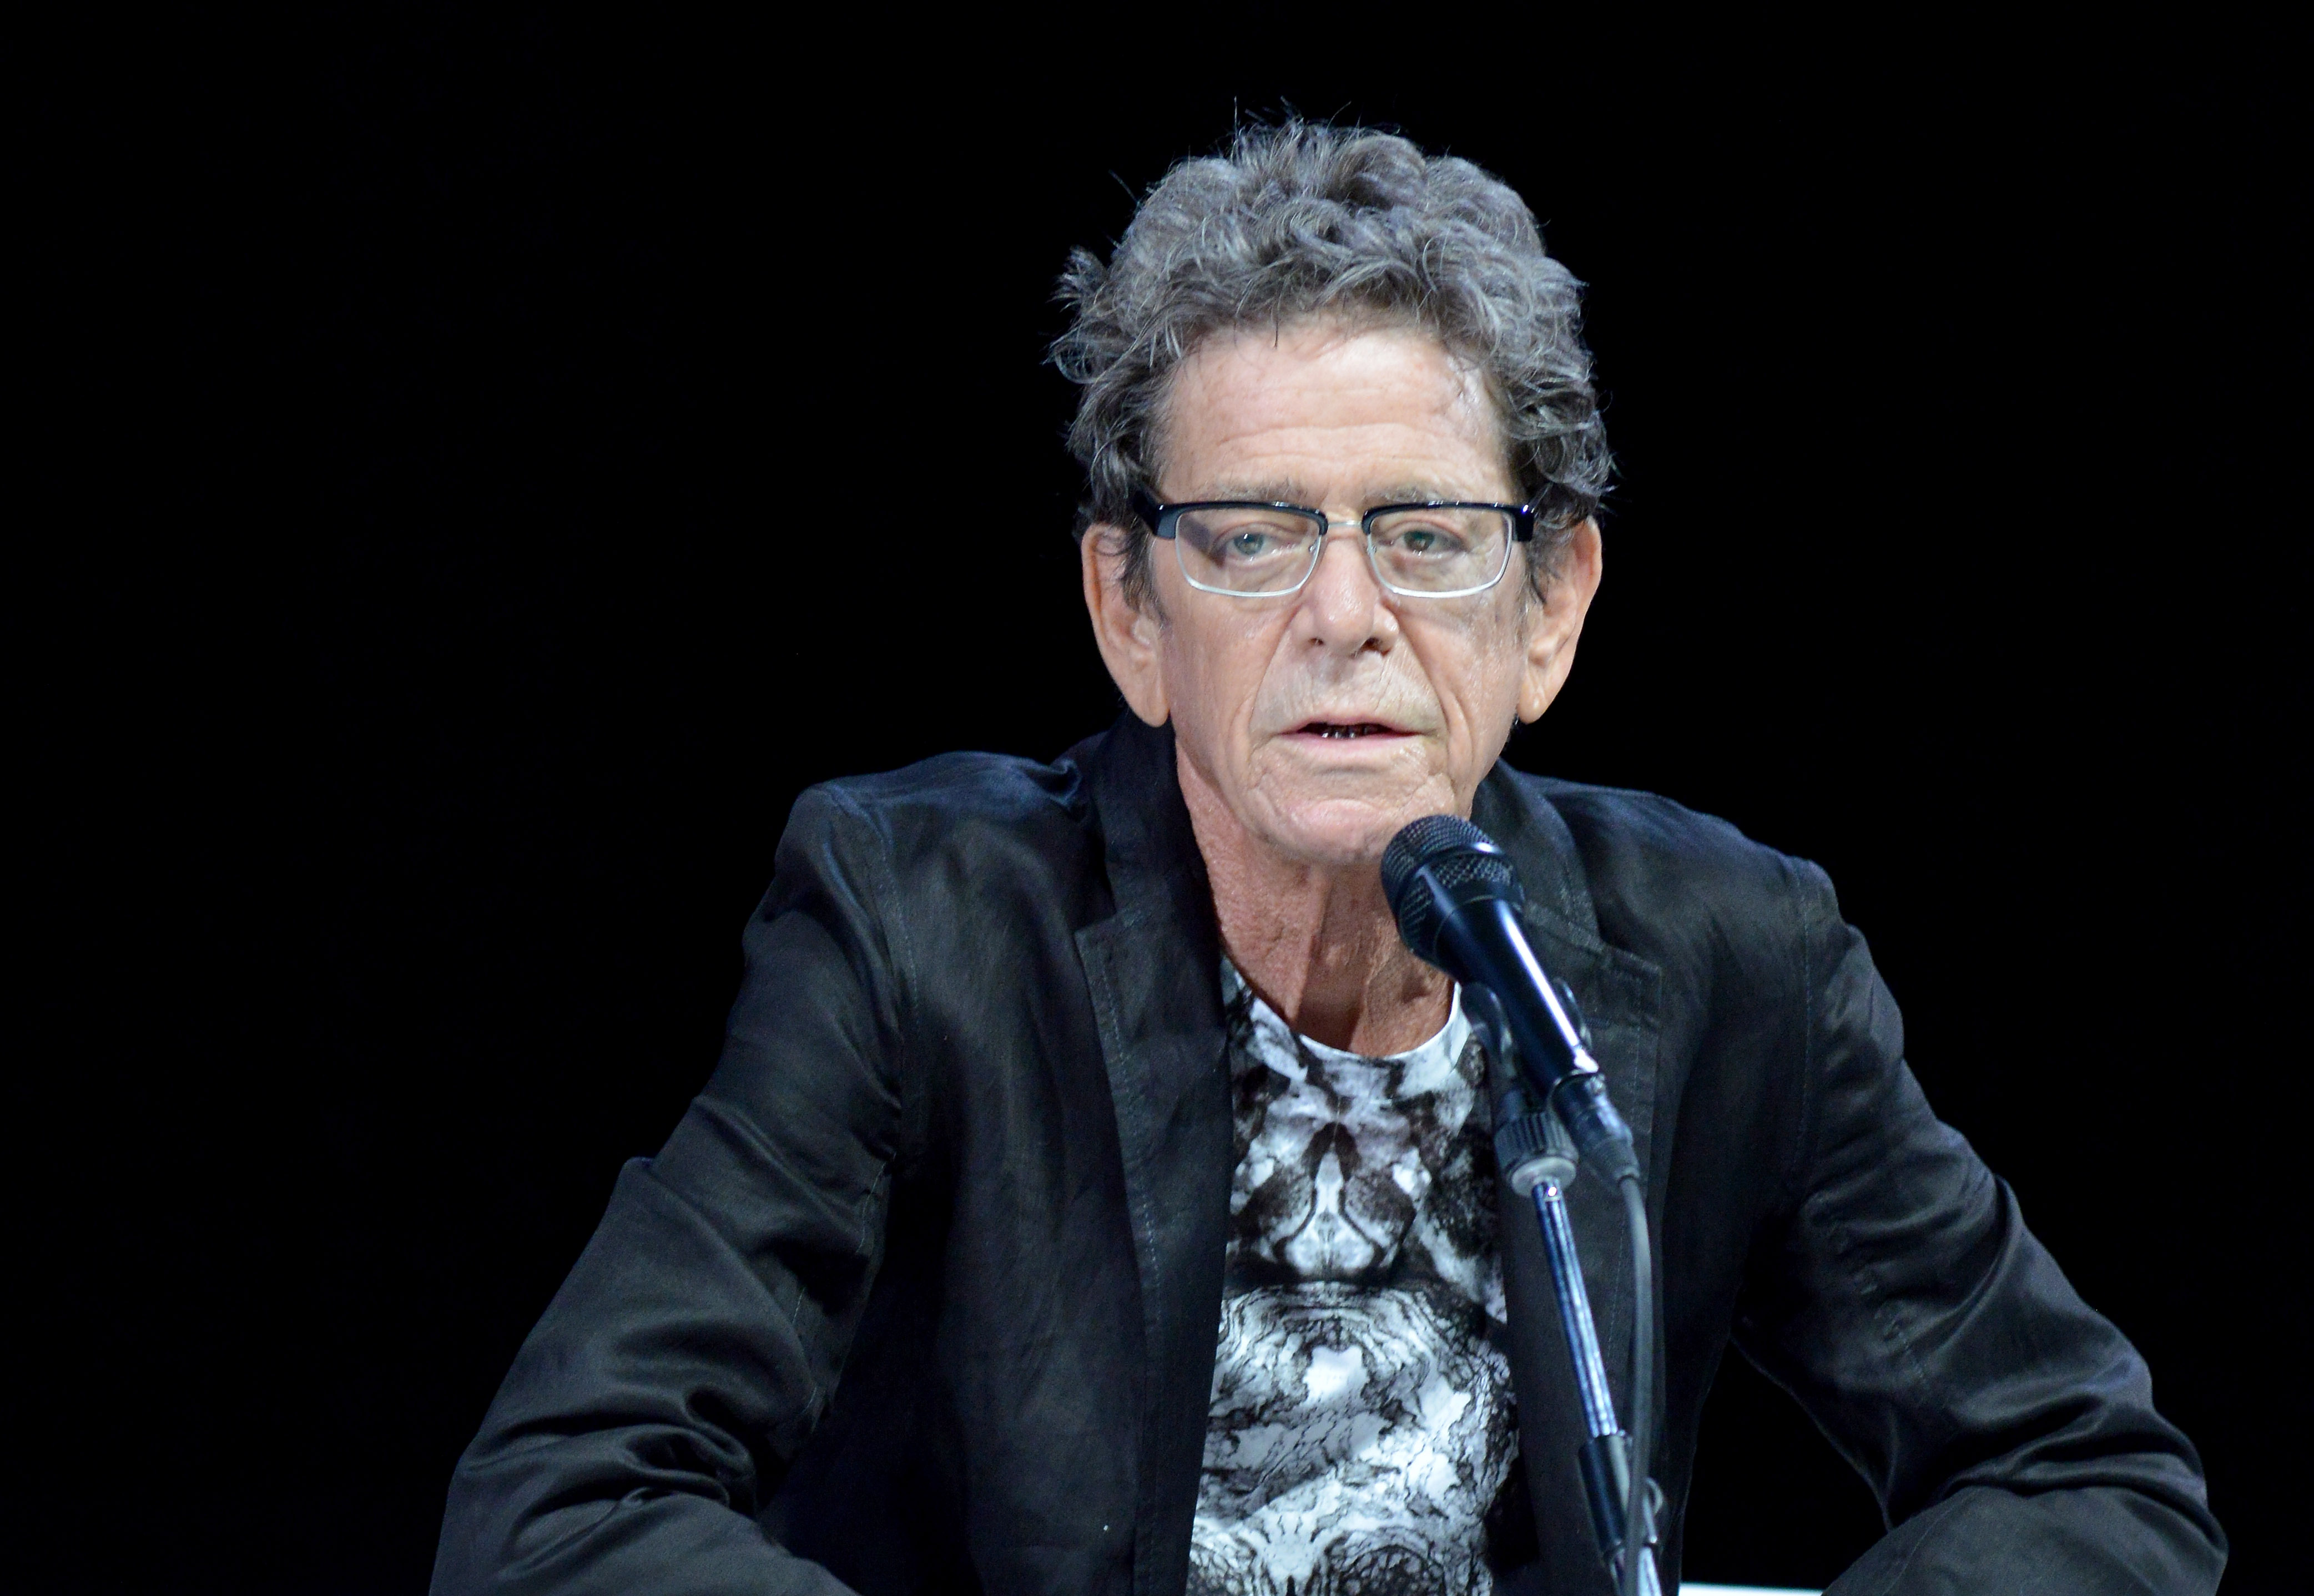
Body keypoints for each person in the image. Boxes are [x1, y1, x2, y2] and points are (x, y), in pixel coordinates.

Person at [430, 123, 2224, 1595]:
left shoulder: (1728, 951)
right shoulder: (920, 923)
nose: (1344, 615)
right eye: (1252, 536)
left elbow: (2092, 1479)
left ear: (1551, 609)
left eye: (1428, 536)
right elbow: (565, 1506)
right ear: (1129, 612)